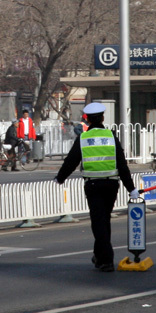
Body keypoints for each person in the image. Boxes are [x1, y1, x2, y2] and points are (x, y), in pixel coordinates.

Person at [54, 102, 137, 272]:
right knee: (104, 220)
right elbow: (122, 165)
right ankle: (99, 256)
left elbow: (71, 161)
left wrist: (60, 178)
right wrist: (131, 189)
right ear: (102, 118)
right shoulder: (111, 136)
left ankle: (106, 260)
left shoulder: (83, 138)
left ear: (88, 120)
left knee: (98, 222)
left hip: (92, 185)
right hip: (111, 184)